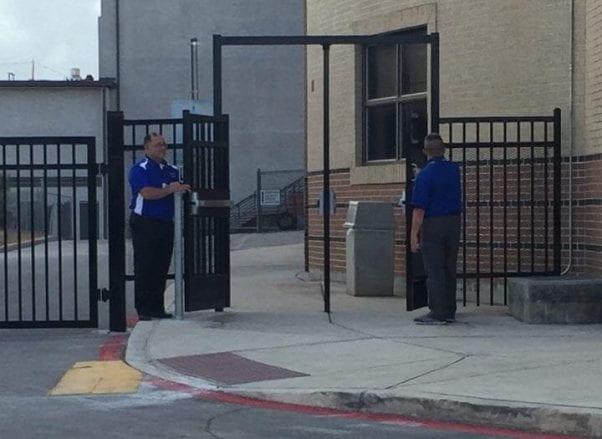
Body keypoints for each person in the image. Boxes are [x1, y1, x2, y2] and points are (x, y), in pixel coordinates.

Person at [128, 133, 190, 321]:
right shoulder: (140, 169)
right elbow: (147, 193)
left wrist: (182, 189)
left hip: (165, 223)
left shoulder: (171, 170)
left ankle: (157, 307)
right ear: (146, 148)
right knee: (145, 265)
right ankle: (144, 309)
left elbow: (181, 188)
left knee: (161, 266)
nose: (162, 148)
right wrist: (169, 189)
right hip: (145, 222)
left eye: (164, 145)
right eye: (157, 145)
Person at [410, 133, 462, 325]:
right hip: (454, 222)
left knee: (434, 269)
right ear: (444, 150)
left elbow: (419, 209)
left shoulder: (425, 174)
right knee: (449, 267)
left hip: (433, 224)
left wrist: (413, 235)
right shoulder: (454, 170)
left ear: (425, 152)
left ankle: (437, 312)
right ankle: (449, 309)